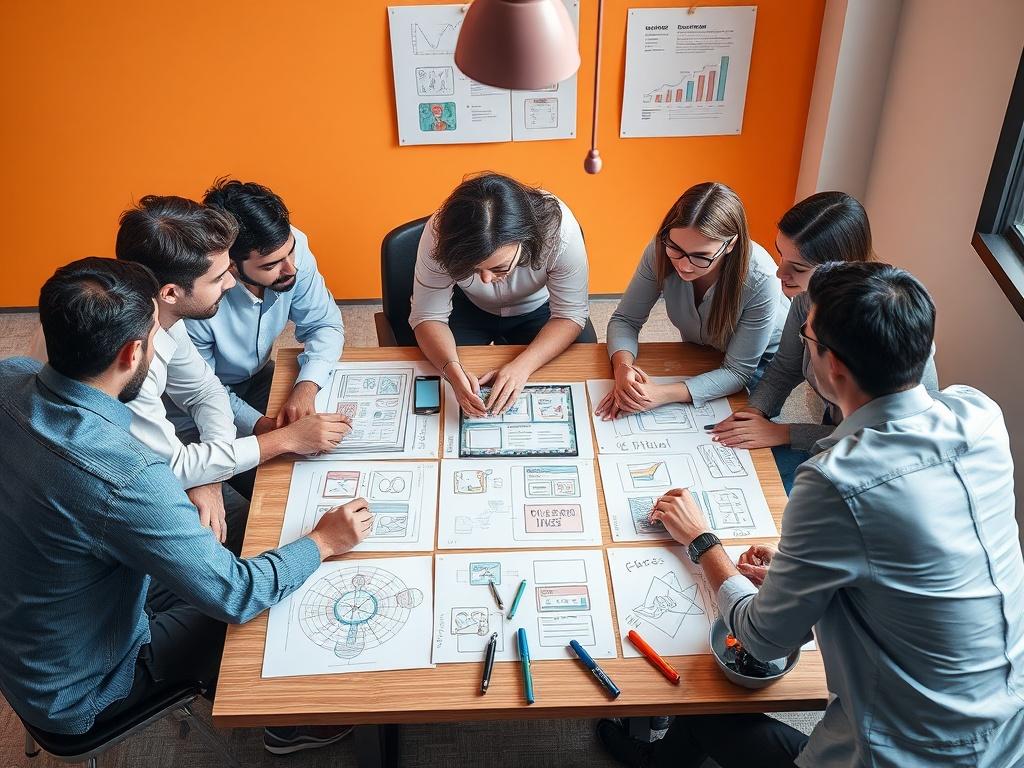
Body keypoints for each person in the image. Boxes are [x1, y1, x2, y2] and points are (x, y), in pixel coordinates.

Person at [597, 262, 1024, 768]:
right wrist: (802, 564)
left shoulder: (836, 479)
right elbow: (912, 548)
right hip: (1010, 729)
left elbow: (762, 639)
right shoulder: (979, 414)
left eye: (807, 335)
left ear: (832, 366)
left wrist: (702, 541)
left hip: (901, 755)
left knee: (700, 696)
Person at [0, 258, 371, 755]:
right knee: (294, 579)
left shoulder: (11, 374)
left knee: (239, 538)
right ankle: (286, 720)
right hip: (85, 688)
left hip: (29, 625)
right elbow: (237, 594)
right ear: (134, 354)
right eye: (158, 336)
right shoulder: (126, 473)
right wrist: (324, 541)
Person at [709, 192, 938, 491]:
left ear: (836, 268)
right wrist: (754, 412)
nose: (780, 272)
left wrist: (786, 432)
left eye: (799, 268)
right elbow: (785, 367)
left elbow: (877, 436)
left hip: (879, 462)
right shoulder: (806, 297)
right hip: (834, 432)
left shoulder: (881, 326)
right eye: (780, 254)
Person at [596, 182, 789, 420]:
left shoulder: (762, 278)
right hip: (703, 348)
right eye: (676, 249)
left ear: (730, 245)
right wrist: (623, 368)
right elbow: (625, 319)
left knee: (742, 438)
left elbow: (738, 372)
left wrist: (659, 395)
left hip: (761, 361)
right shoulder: (659, 250)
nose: (684, 265)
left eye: (701, 257)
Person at [409, 172, 594, 416]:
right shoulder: (439, 235)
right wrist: (451, 369)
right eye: (473, 269)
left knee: (581, 374)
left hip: (541, 310)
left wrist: (522, 367)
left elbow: (570, 313)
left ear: (526, 239)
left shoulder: (560, 231)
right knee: (432, 376)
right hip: (467, 306)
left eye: (499, 267)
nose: (485, 280)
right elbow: (427, 315)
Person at [187, 178, 345, 433]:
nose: (291, 268)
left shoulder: (291, 248)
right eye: (270, 266)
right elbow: (201, 392)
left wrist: (307, 386)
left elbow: (324, 324)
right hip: (196, 408)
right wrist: (268, 429)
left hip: (259, 376)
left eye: (290, 252)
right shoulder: (195, 299)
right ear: (231, 265)